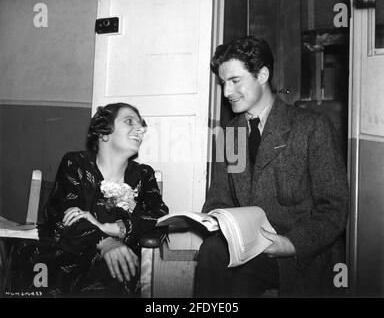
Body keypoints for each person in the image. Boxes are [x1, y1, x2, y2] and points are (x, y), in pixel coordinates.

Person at [194, 37, 349, 297]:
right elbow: (218, 200)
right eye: (223, 83)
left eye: (235, 81)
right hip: (246, 250)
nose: (226, 92)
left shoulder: (312, 126)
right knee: (212, 250)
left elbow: (334, 206)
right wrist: (216, 220)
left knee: (241, 277)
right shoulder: (230, 134)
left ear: (262, 74)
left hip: (296, 255)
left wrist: (291, 244)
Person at [12, 102, 168, 297]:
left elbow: (160, 217)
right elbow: (65, 216)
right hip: (70, 256)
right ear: (104, 133)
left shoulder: (144, 174)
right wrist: (106, 243)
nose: (141, 129)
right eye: (130, 121)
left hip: (120, 264)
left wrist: (111, 228)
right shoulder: (75, 164)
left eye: (141, 124)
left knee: (116, 269)